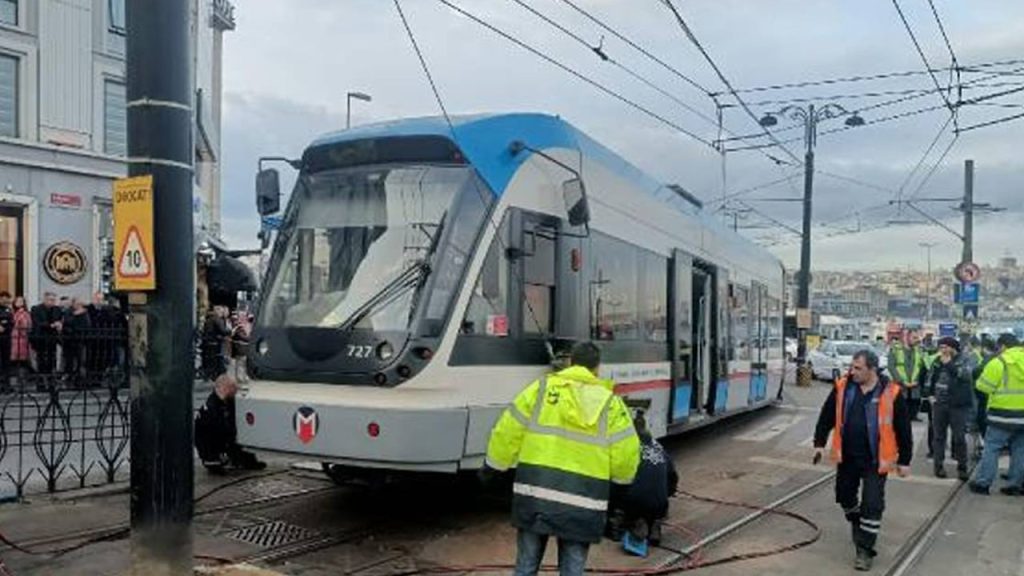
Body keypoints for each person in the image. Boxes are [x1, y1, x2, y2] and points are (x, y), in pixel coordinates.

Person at [483, 342, 640, 576]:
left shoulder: (541, 389)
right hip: (584, 501)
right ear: (597, 368)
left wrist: (493, 466)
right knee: (573, 568)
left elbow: (508, 429)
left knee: (526, 565)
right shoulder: (611, 404)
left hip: (535, 494)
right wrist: (621, 486)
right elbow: (626, 456)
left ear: (571, 362)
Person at [814, 349, 912, 572]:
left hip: (876, 460)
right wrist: (819, 442)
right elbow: (827, 415)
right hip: (847, 456)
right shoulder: (842, 387)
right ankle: (857, 521)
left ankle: (865, 550)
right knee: (844, 496)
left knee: (872, 503)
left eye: (858, 368)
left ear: (872, 369)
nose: (852, 371)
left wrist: (904, 460)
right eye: (851, 366)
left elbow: (903, 430)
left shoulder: (892, 392)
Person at [614, 410, 678, 554]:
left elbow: (616, 476)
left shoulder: (627, 447)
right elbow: (673, 477)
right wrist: (666, 495)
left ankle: (635, 521)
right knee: (657, 494)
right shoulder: (659, 447)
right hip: (660, 503)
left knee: (620, 487)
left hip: (634, 502)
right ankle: (655, 522)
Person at [969, 341, 1024, 496]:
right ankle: (1015, 484)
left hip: (1001, 415)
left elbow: (983, 386)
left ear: (1003, 347)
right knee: (1020, 450)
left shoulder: (999, 362)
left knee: (992, 448)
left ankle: (983, 483)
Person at [194, 373, 266, 473]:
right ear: (227, 388)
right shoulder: (212, 408)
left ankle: (238, 459)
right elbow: (222, 431)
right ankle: (225, 461)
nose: (236, 391)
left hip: (222, 443)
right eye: (234, 388)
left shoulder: (226, 402)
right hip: (213, 450)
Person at [926, 337, 974, 480]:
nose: (943, 350)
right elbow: (930, 378)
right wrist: (929, 394)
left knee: (959, 437)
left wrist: (949, 365)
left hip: (958, 405)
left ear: (954, 348)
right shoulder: (936, 361)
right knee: (939, 436)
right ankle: (938, 466)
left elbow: (966, 376)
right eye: (941, 347)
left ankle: (962, 467)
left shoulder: (965, 360)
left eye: (946, 347)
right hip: (940, 404)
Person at [887, 331, 925, 422]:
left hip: (915, 383)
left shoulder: (919, 351)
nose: (917, 340)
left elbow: (922, 366)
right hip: (900, 383)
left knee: (915, 400)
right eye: (914, 338)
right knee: (901, 401)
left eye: (917, 338)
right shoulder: (895, 350)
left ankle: (913, 415)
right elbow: (891, 366)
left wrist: (918, 380)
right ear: (906, 337)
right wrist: (901, 381)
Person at [30, 292, 63, 376]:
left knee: (52, 359)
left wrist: (59, 324)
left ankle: (51, 380)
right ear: (45, 299)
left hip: (52, 338)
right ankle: (41, 381)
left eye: (54, 300)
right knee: (41, 359)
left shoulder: (57, 309)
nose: (52, 302)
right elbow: (37, 322)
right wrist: (51, 325)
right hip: (41, 337)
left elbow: (59, 319)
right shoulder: (36, 309)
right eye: (50, 300)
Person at [201, 305, 231, 381]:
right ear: (217, 311)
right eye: (221, 311)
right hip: (214, 344)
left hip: (208, 343)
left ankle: (209, 374)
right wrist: (231, 331)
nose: (222, 313)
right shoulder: (216, 319)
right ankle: (216, 377)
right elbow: (223, 331)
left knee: (211, 361)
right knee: (217, 362)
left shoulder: (208, 319)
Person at [10, 296, 32, 379]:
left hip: (22, 339)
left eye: (21, 301)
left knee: (22, 360)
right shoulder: (12, 312)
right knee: (12, 360)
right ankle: (14, 379)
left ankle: (22, 380)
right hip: (12, 339)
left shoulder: (25, 313)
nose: (19, 302)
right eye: (17, 301)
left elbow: (27, 326)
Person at [0, 291, 12, 392]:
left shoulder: (9, 310)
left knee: (6, 363)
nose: (5, 300)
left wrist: (5, 325)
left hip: (6, 339)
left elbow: (11, 323)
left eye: (7, 299)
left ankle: (6, 384)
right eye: (3, 298)